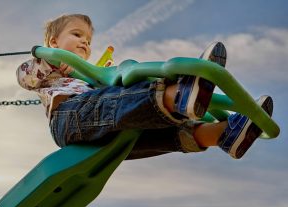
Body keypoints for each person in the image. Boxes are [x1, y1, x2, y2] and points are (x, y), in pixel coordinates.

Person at [17, 14, 273, 159]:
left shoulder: (88, 75)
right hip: (68, 120)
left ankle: (222, 133)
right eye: (76, 35)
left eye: (87, 39)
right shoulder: (45, 67)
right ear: (52, 41)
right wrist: (48, 60)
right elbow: (24, 77)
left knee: (145, 135)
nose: (84, 43)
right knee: (118, 99)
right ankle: (177, 95)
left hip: (99, 135)